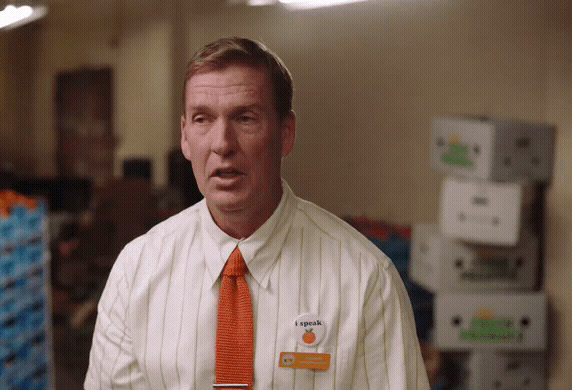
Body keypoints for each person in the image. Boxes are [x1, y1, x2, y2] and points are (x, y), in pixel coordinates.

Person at [85, 37, 429, 389]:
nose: (222, 143)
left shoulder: (365, 279)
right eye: (203, 119)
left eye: (245, 118)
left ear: (286, 133)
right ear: (185, 137)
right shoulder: (137, 271)